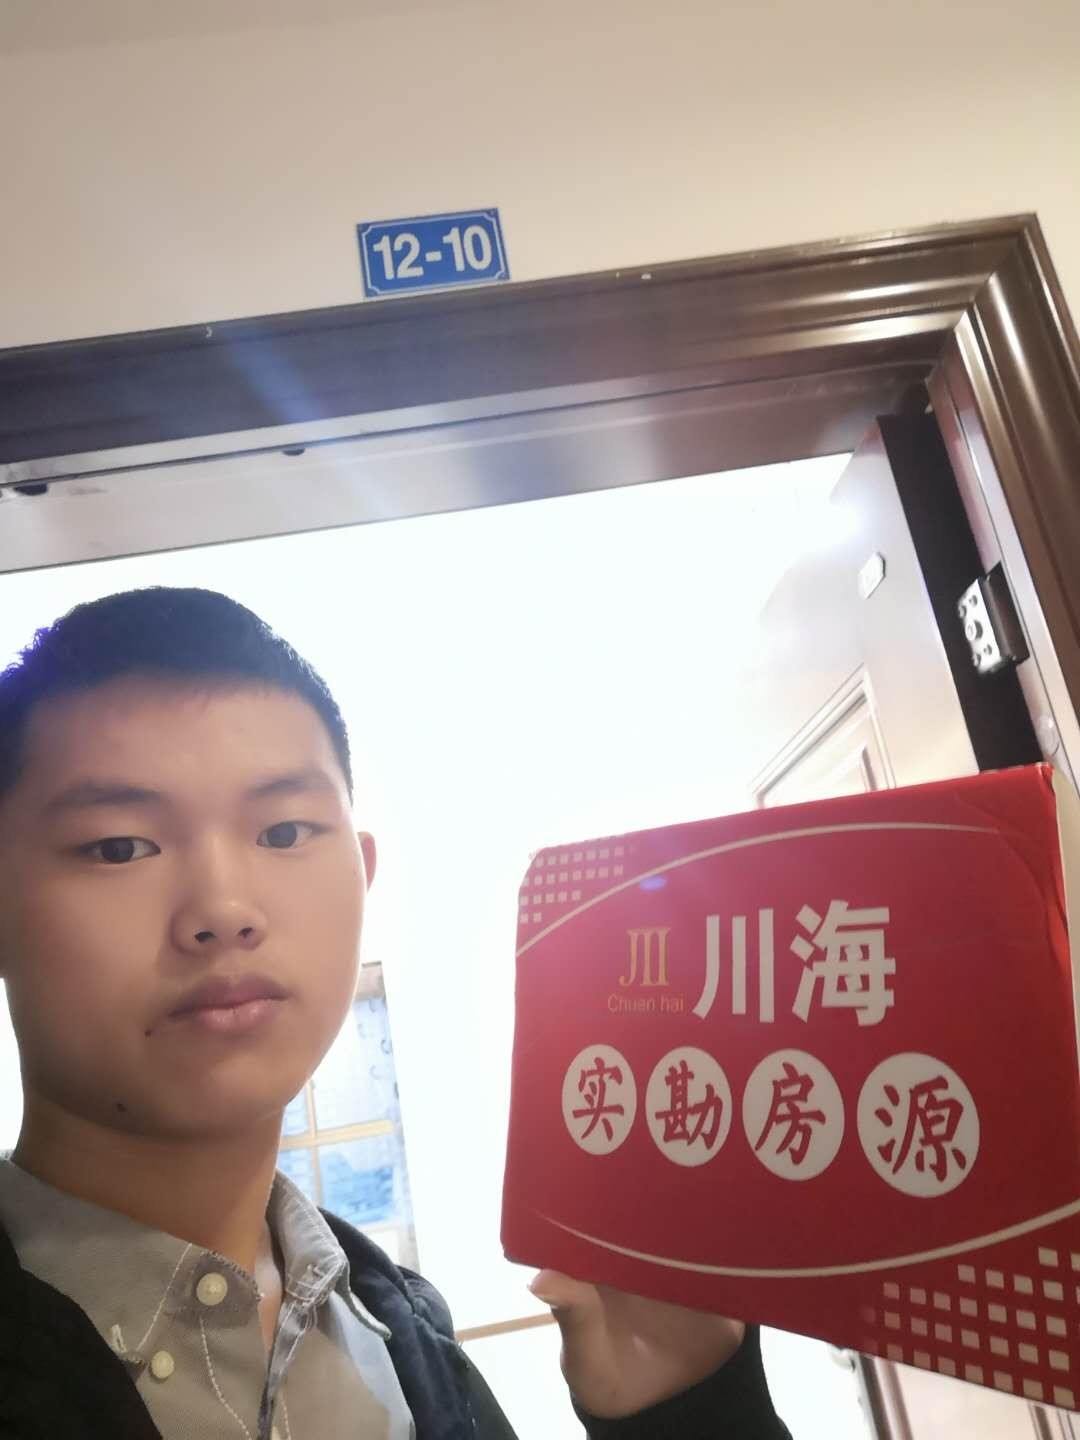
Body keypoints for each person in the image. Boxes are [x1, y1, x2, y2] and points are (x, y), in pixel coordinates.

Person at [0, 586, 789, 1439]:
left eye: (285, 832)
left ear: (362, 874)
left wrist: (684, 1412)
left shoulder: (412, 1349)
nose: (223, 909)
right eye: (120, 846)